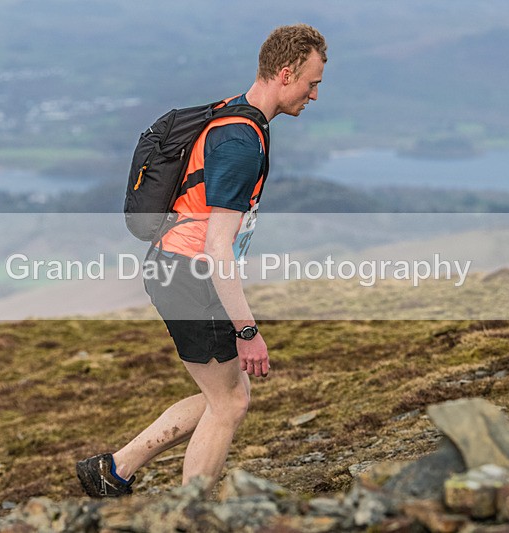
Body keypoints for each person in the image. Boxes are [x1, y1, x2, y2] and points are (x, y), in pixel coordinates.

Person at [76, 23, 327, 498]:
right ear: (287, 73)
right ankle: (190, 514)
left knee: (226, 395)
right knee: (229, 402)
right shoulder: (239, 142)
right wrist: (248, 331)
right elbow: (217, 248)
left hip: (176, 270)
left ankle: (114, 470)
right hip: (191, 276)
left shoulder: (237, 118)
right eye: (312, 83)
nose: (314, 95)